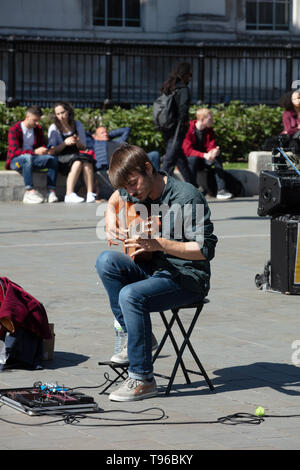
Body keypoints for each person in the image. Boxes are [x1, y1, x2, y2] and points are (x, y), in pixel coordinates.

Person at [95, 144, 217, 401]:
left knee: (130, 295)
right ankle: (139, 336)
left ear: (148, 169)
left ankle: (142, 378)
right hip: (155, 269)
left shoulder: (186, 197)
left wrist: (160, 243)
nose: (130, 191)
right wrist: (109, 221)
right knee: (106, 261)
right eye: (126, 186)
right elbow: (115, 198)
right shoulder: (134, 191)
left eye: (133, 183)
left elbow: (204, 250)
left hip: (187, 277)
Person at [86, 125, 161, 200]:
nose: (105, 134)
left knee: (154, 155)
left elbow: (126, 130)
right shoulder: (94, 143)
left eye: (106, 132)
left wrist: (109, 135)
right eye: (102, 133)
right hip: (113, 165)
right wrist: (94, 137)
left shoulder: (117, 141)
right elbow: (84, 135)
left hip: (129, 160)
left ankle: (158, 184)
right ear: (95, 136)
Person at [6, 105, 58, 204]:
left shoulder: (37, 129)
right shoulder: (15, 129)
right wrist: (34, 152)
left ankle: (50, 191)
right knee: (27, 157)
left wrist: (46, 150)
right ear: (27, 117)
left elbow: (41, 145)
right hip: (16, 161)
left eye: (38, 120)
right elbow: (15, 151)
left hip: (33, 159)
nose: (37, 123)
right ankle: (29, 192)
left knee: (52, 159)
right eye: (35, 120)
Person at [48, 102, 96, 203]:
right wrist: (64, 143)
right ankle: (69, 194)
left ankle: (90, 193)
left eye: (63, 112)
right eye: (58, 114)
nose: (61, 116)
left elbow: (83, 146)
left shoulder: (77, 125)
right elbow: (52, 151)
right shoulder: (54, 128)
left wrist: (77, 142)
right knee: (78, 161)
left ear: (68, 111)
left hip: (76, 155)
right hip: (62, 158)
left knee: (87, 162)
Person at [182, 108, 233, 200]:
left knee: (217, 157)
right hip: (189, 162)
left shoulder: (209, 130)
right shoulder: (188, 129)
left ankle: (221, 190)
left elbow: (211, 145)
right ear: (202, 119)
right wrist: (204, 155)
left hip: (204, 160)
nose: (213, 121)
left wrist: (214, 151)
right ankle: (191, 190)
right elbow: (187, 151)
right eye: (210, 119)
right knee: (193, 158)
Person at [160, 62, 195, 184]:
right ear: (184, 74)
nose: (190, 78)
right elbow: (183, 109)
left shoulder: (169, 86)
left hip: (165, 126)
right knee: (169, 160)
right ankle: (160, 186)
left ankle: (193, 185)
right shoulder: (183, 89)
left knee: (179, 158)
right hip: (177, 128)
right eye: (189, 74)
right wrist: (184, 123)